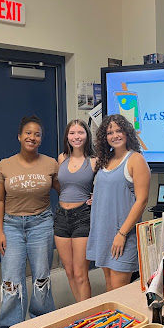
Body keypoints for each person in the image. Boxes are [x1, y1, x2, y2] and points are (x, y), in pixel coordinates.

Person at [0, 115, 60, 328]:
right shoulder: (4, 165)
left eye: (37, 134)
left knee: (42, 276)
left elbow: (64, 190)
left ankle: (42, 321)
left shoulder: (51, 164)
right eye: (28, 133)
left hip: (41, 224)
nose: (32, 137)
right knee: (11, 280)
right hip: (11, 226)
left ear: (41, 139)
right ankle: (9, 326)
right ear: (20, 136)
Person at [86, 114, 151, 291]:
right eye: (110, 132)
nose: (115, 135)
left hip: (122, 235)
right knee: (109, 288)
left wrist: (121, 234)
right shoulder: (105, 160)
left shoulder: (135, 159)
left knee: (118, 291)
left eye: (119, 130)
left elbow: (142, 201)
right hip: (103, 233)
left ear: (127, 133)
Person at [54, 119, 96, 302]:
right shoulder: (62, 158)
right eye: (72, 133)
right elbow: (59, 184)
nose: (76, 137)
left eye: (81, 133)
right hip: (61, 217)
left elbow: (105, 185)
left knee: (80, 273)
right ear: (67, 136)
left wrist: (97, 196)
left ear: (87, 136)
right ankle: (80, 312)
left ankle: (88, 318)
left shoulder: (95, 161)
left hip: (82, 217)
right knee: (69, 271)